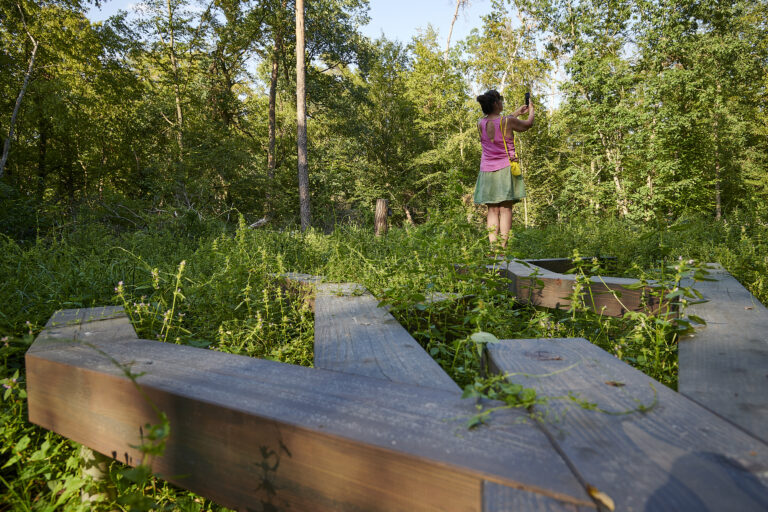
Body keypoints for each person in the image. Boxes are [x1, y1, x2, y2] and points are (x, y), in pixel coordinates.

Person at [474, 89, 534, 251]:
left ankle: (494, 249)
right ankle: (503, 248)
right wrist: (531, 111)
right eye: (500, 100)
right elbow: (528, 125)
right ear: (495, 104)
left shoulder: (480, 123)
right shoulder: (507, 121)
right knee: (505, 208)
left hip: (486, 171)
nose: (502, 102)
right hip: (505, 168)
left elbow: (499, 123)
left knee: (492, 210)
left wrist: (516, 113)